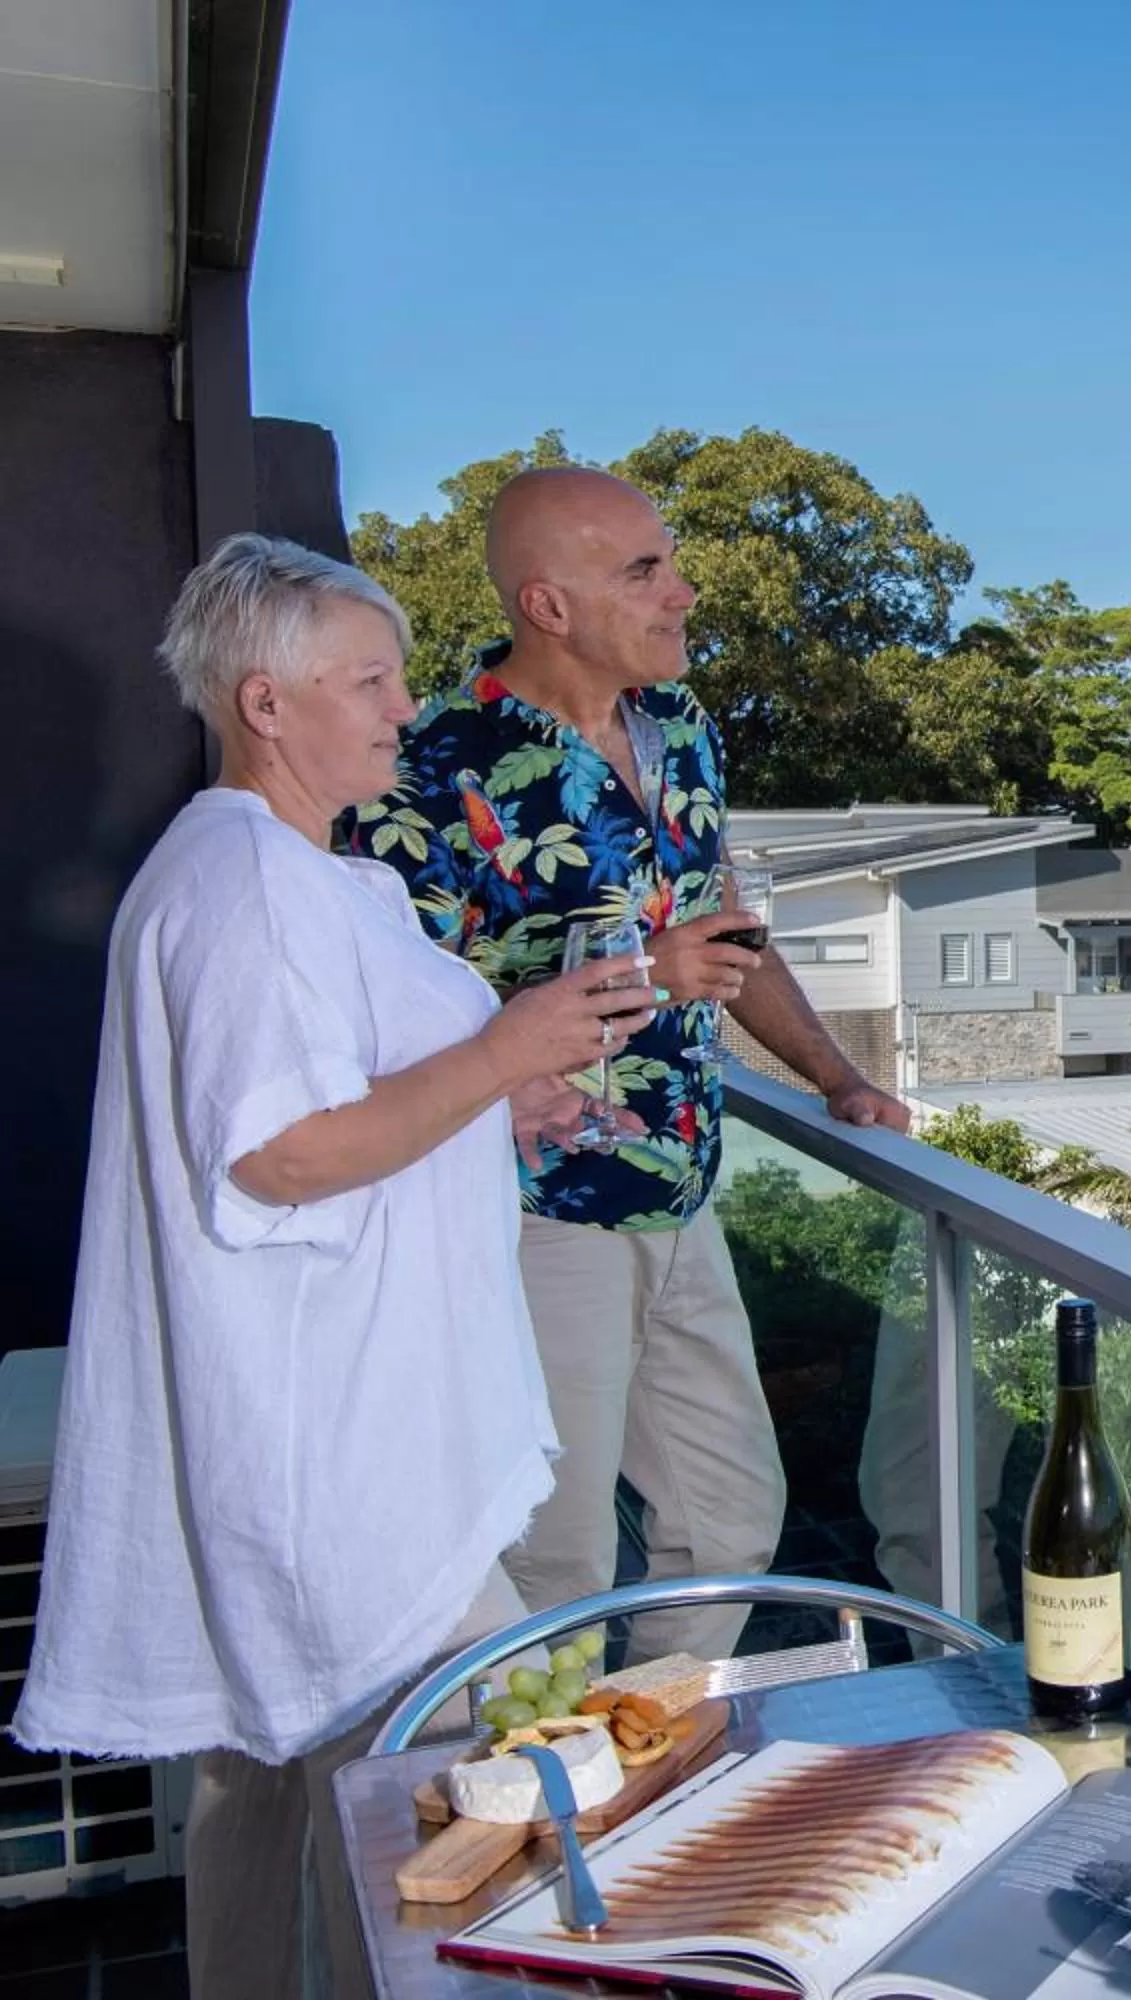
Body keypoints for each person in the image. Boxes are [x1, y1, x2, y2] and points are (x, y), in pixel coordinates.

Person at [14, 535, 658, 2000]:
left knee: (281, 1792)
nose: (400, 707)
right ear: (267, 703)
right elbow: (280, 1153)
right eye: (370, 680)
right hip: (349, 1463)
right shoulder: (245, 886)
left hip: (321, 1430)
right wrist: (502, 1048)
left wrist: (499, 1097)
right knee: (456, 1819)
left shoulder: (299, 876)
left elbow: (355, 1102)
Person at [350, 466, 910, 1666]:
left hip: (683, 1191)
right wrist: (649, 971)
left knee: (728, 1513)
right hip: (532, 1212)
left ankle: (646, 1757)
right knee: (551, 1557)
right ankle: (536, 1816)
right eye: (644, 569)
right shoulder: (430, 764)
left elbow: (721, 925)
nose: (684, 590)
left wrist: (834, 1077)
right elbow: (393, 1016)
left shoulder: (685, 732)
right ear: (548, 606)